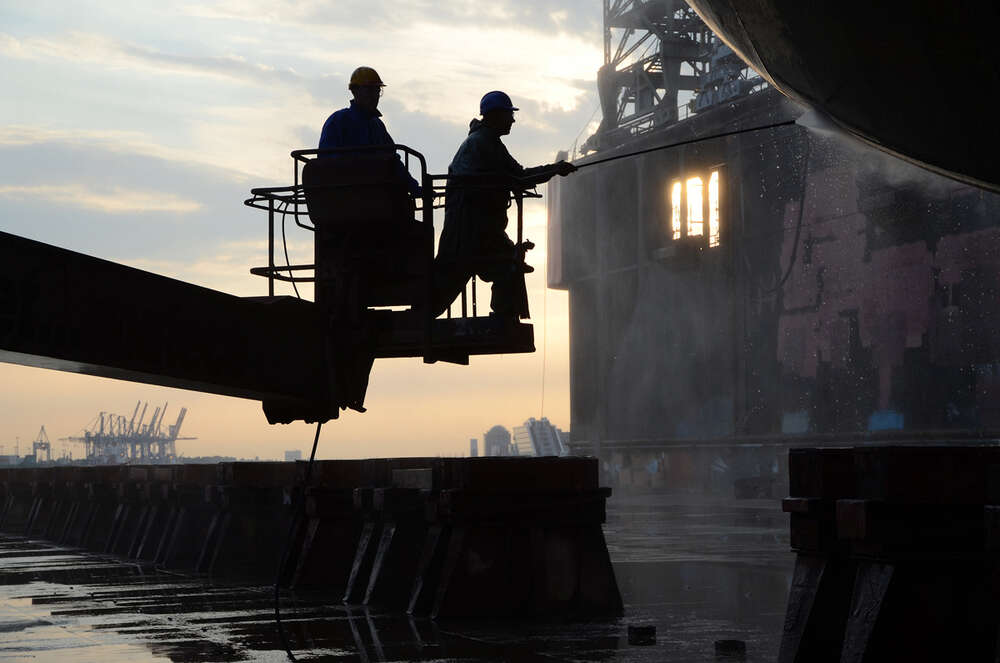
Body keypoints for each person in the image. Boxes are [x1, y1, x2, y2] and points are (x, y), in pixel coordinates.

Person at [433, 90, 576, 318]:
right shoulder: (482, 143)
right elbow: (518, 177)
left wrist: (554, 169)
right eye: (509, 114)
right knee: (490, 267)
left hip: (478, 228)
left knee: (502, 264)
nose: (513, 120)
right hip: (469, 231)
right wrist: (555, 169)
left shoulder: (487, 142)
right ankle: (502, 319)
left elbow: (516, 176)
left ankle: (504, 317)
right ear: (495, 115)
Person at [318, 66, 420, 196]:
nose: (374, 95)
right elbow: (326, 164)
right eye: (369, 90)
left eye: (377, 90)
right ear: (354, 91)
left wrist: (414, 188)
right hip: (348, 197)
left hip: (375, 197)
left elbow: (393, 161)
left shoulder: (377, 126)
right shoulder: (338, 121)